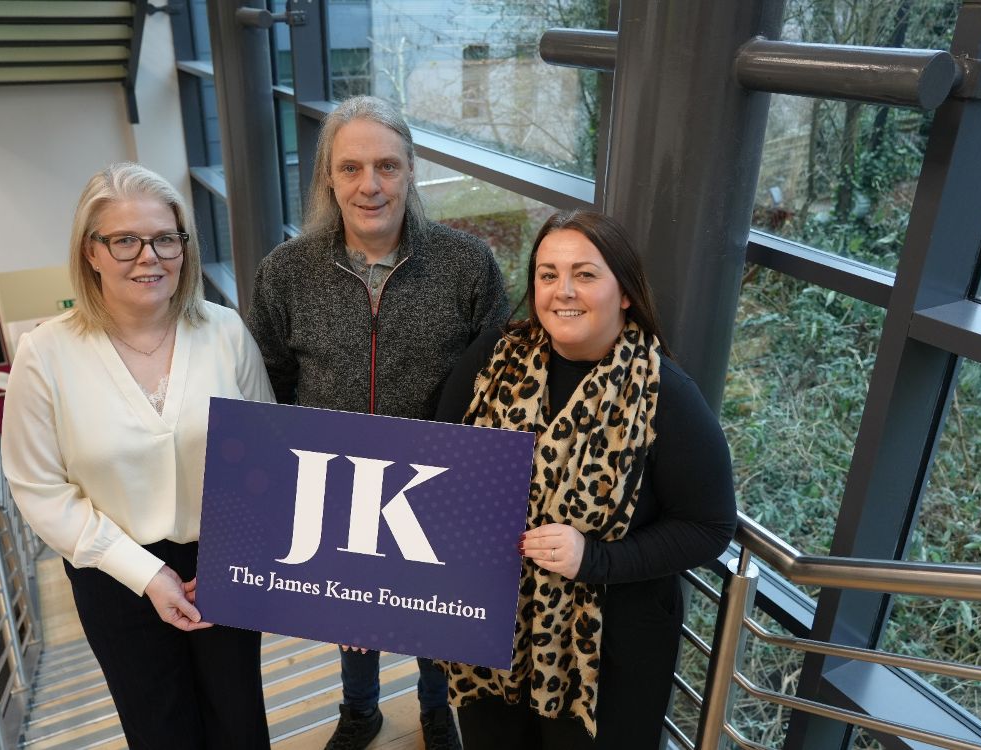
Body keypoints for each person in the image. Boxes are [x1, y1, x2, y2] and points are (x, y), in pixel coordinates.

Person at [248, 95, 509, 750]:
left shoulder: (467, 265)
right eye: (351, 168)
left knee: (431, 622)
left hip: (436, 486)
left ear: (411, 171)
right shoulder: (284, 273)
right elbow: (271, 385)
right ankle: (359, 712)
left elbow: (501, 384)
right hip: (333, 487)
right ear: (328, 179)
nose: (370, 185)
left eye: (387, 166)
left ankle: (434, 708)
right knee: (351, 621)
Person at [434, 209, 737, 749]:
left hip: (606, 654)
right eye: (548, 274)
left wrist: (595, 558)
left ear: (624, 292)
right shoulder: (495, 357)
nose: (563, 291)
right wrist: (370, 600)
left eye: (586, 274)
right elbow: (431, 467)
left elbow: (709, 526)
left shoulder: (666, 395)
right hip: (488, 628)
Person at [1, 162, 273, 749]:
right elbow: (38, 487)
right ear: (91, 252)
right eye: (125, 240)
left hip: (222, 561)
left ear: (184, 247)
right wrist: (146, 574)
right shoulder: (44, 355)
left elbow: (266, 449)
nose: (148, 256)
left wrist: (235, 555)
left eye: (165, 238)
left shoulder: (224, 330)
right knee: (160, 730)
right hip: (114, 573)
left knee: (239, 719)